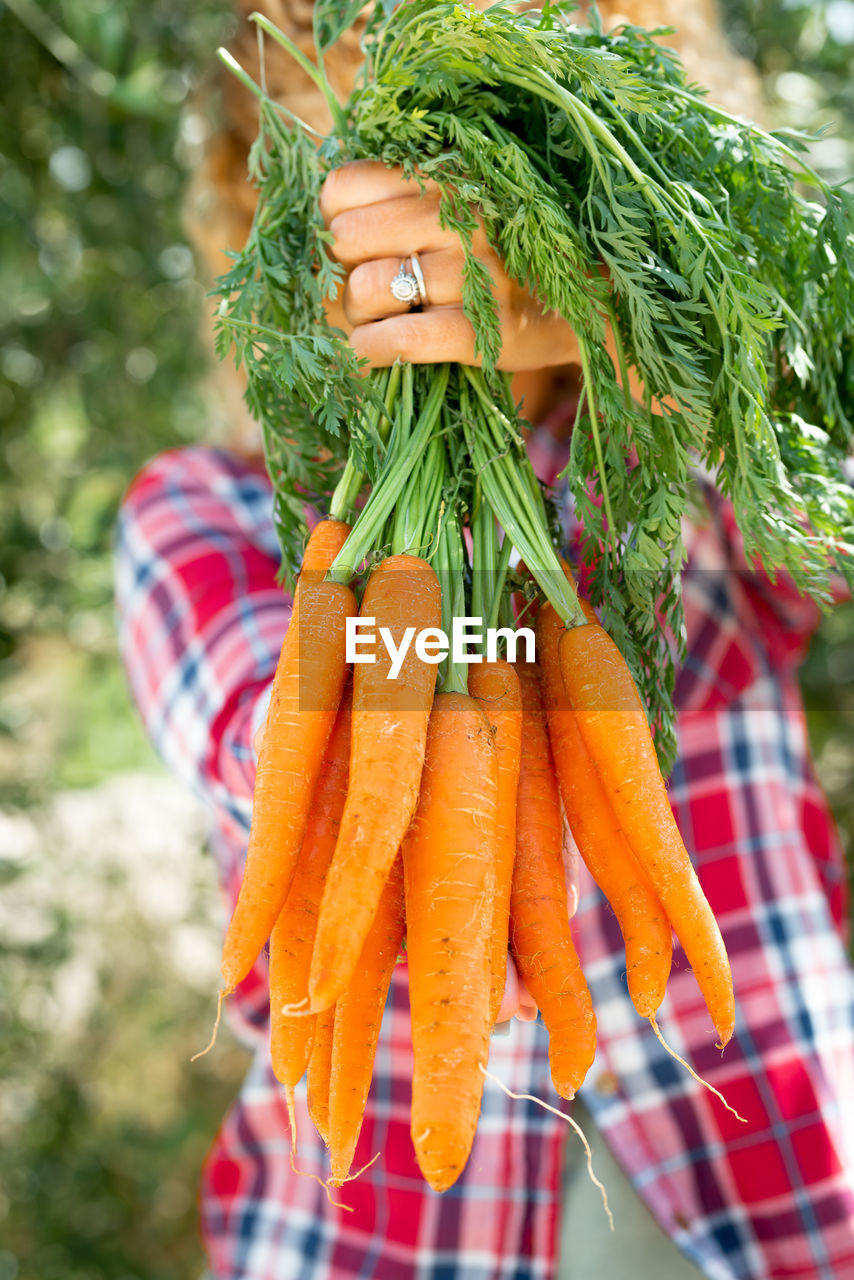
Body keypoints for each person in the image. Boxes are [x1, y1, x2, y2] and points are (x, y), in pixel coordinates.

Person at [114, 2, 854, 1276]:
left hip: (786, 1194)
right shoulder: (206, 515)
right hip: (376, 1236)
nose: (430, 196)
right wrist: (420, 600)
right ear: (271, 202)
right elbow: (294, 748)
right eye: (366, 143)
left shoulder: (692, 455)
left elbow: (819, 514)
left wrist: (624, 331)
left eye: (476, 144)